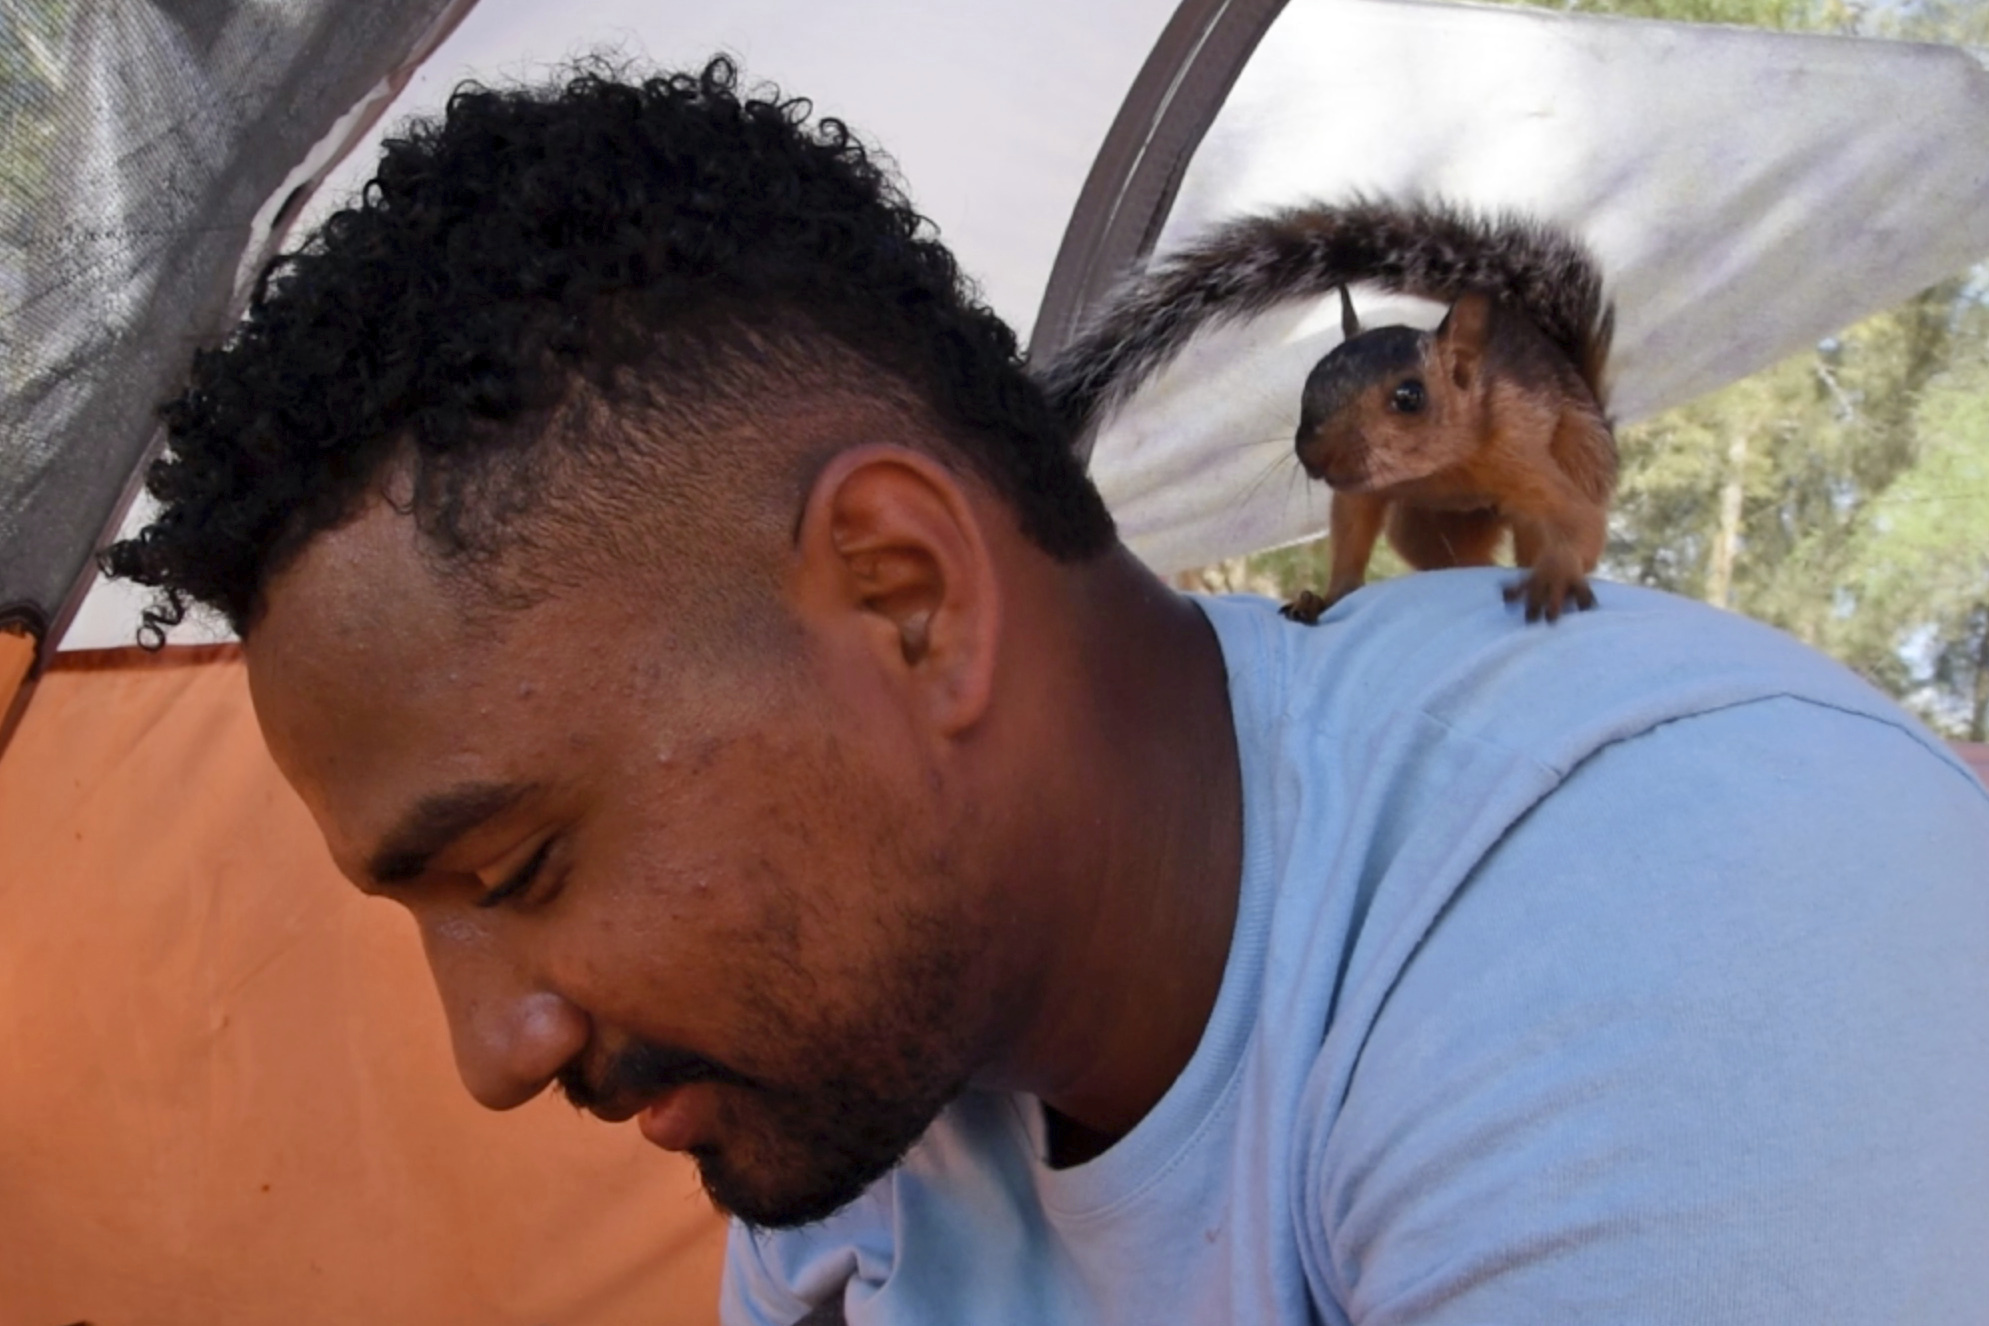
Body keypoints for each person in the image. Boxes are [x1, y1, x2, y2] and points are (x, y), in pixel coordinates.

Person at [104, 59, 1989, 1325]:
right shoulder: (857, 1121)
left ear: (909, 599)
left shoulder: (1667, 907)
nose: (488, 1052)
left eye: (516, 867)